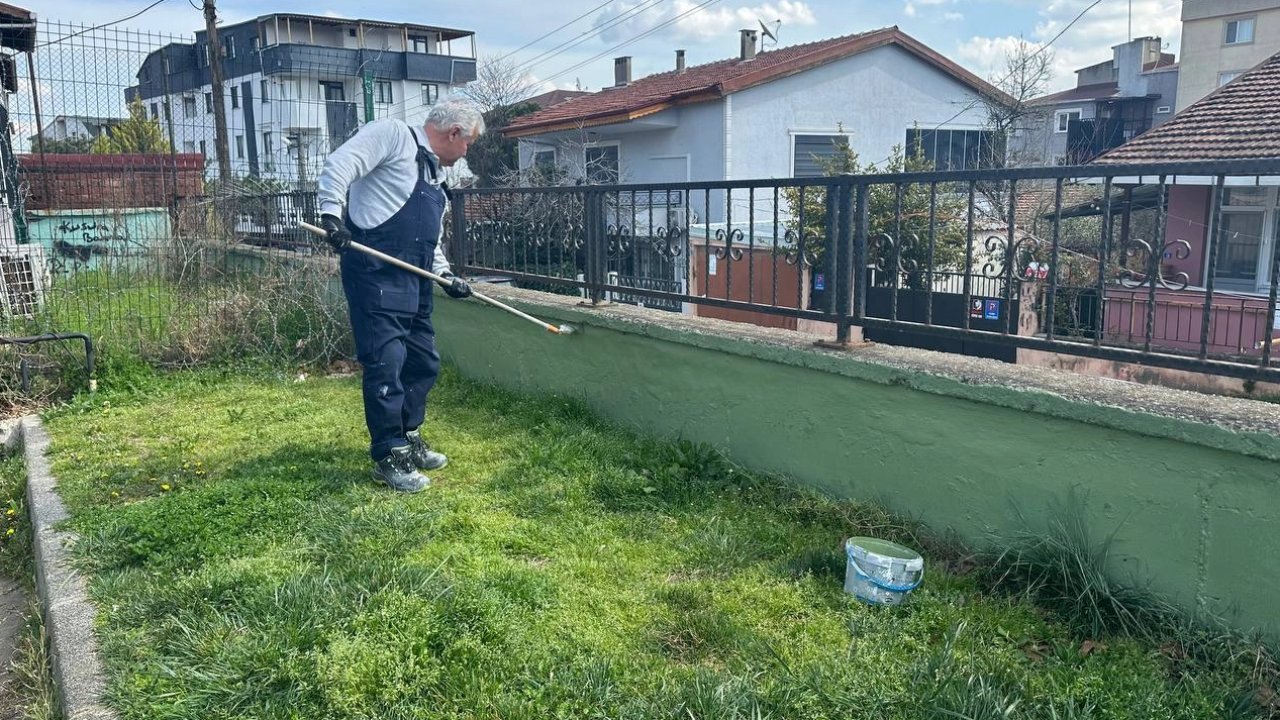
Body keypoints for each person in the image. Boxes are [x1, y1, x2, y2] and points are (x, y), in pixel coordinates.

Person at [316, 99, 485, 493]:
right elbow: (340, 164)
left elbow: (430, 240)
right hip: (375, 273)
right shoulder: (392, 136)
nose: (466, 153)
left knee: (423, 362)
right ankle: (389, 454)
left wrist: (445, 276)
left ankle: (408, 437)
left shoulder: (433, 178)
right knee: (386, 365)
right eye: (469, 144)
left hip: (416, 279)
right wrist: (331, 215)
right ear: (454, 133)